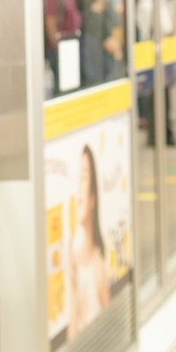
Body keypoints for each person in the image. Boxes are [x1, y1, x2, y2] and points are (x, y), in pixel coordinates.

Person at [68, 145, 110, 339]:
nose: (77, 193)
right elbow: (72, 331)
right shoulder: (73, 253)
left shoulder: (98, 262)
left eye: (83, 178)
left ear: (93, 197)